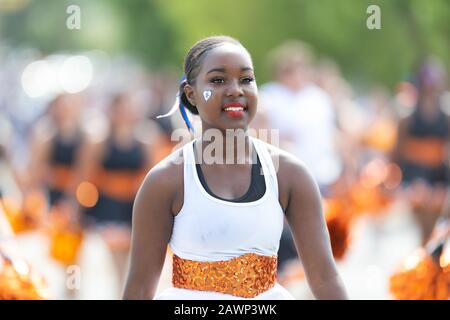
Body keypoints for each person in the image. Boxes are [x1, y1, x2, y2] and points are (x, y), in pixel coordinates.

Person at [123, 36, 348, 300]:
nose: (235, 90)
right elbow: (139, 288)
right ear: (191, 94)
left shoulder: (290, 174)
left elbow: (324, 277)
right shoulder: (165, 181)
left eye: (246, 79)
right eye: (218, 80)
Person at [392, 58, 450, 245]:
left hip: (437, 176)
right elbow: (398, 152)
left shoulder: (445, 117)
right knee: (423, 221)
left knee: (435, 222)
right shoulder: (408, 118)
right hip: (414, 175)